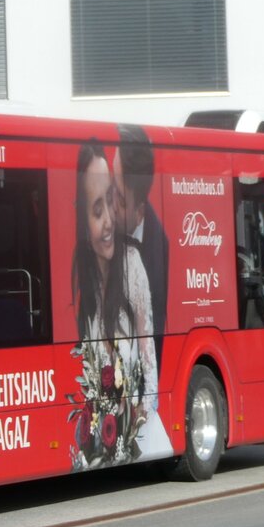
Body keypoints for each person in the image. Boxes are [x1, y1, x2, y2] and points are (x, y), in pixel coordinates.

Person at [71, 142, 169, 462]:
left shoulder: (133, 265)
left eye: (111, 199)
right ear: (83, 220)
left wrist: (138, 419)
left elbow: (149, 367)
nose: (109, 220)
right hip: (104, 444)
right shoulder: (82, 288)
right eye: (97, 210)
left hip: (141, 437)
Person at [113, 124, 169, 373]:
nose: (110, 205)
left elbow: (151, 346)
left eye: (120, 199)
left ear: (140, 211)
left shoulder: (156, 251)